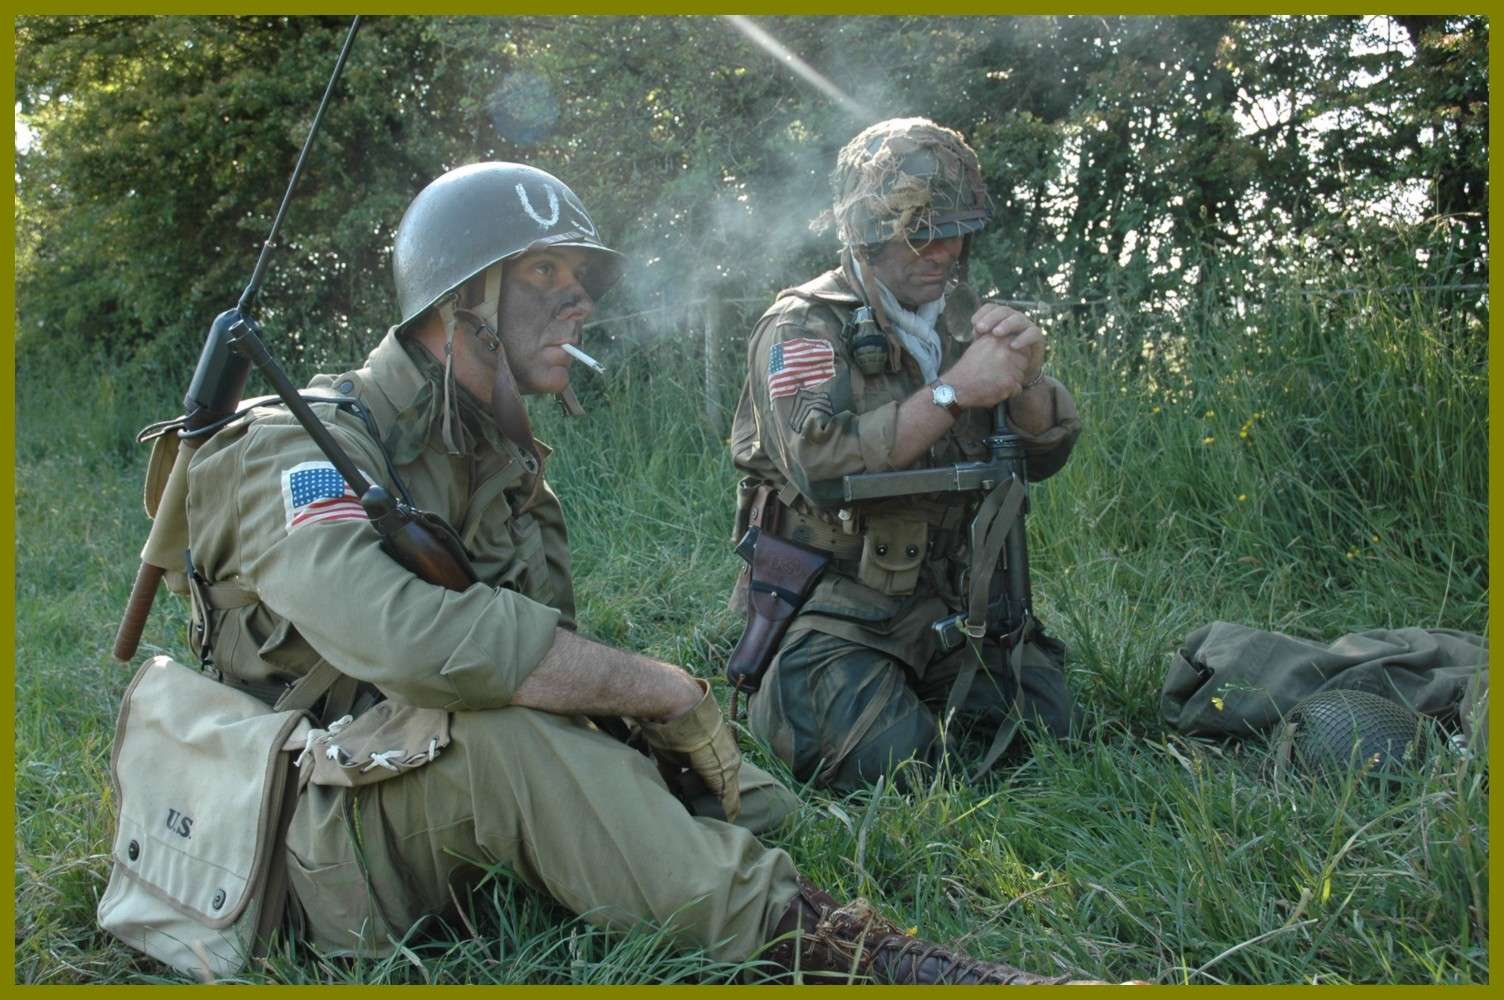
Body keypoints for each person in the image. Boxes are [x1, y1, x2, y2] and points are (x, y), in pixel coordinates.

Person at [159, 160, 1086, 983]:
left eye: (582, 277)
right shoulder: (297, 450)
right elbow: (409, 642)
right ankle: (847, 953)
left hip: (411, 782)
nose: (580, 300)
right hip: (304, 848)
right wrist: (642, 684)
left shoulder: (499, 463)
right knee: (523, 747)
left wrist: (643, 719)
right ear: (461, 302)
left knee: (752, 804)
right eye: (543, 274)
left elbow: (528, 655)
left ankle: (731, 868)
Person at [729, 118, 1083, 794]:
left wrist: (1028, 376)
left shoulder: (962, 316)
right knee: (894, 768)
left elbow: (1043, 455)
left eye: (958, 230)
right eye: (921, 232)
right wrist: (954, 391)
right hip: (837, 606)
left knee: (1044, 731)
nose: (944, 251)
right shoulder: (802, 325)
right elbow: (822, 467)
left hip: (953, 606)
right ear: (867, 235)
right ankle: (800, 687)